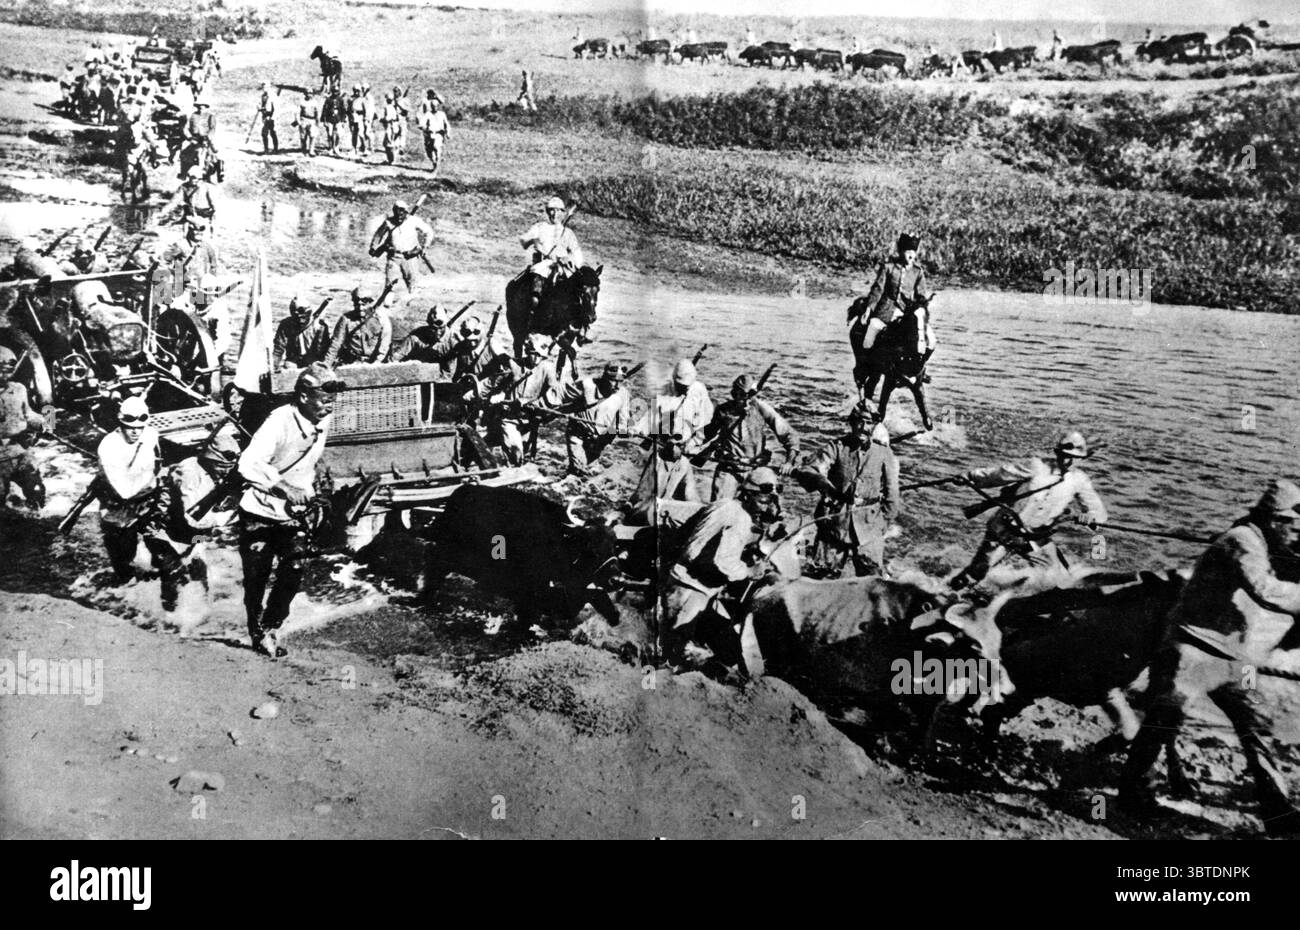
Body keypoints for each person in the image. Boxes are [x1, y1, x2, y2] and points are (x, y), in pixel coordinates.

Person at [1120, 480, 1300, 835]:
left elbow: (1286, 567)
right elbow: (1264, 590)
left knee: (1254, 725)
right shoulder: (1242, 541)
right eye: (1294, 527)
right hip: (1192, 648)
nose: (1296, 535)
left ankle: (1277, 812)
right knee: (1163, 721)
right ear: (1275, 519)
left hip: (1230, 654)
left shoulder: (1262, 539)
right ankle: (1131, 794)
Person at [237, 364, 342, 658]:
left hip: (291, 514)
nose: (329, 406)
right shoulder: (279, 421)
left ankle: (271, 627)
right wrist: (284, 487)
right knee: (256, 578)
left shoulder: (324, 418)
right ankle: (256, 633)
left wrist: (315, 488)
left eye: (333, 399)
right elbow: (248, 464)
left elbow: (309, 459)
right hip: (258, 512)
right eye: (323, 398)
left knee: (295, 568)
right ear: (304, 396)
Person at [948, 430, 1108, 590]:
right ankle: (946, 594)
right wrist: (968, 477)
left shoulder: (1079, 480)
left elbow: (1097, 511)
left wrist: (1090, 518)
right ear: (1057, 453)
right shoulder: (1036, 465)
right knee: (978, 572)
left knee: (1056, 578)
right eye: (1064, 455)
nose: (1067, 461)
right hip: (1005, 530)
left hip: (1036, 536)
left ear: (1083, 458)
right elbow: (999, 474)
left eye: (1074, 458)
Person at [662, 466, 785, 664]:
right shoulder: (739, 518)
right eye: (762, 500)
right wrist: (749, 571)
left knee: (727, 649)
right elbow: (723, 562)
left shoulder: (726, 505)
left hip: (693, 584)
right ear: (747, 495)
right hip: (691, 589)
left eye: (769, 501)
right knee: (674, 652)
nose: (765, 506)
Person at [96, 395, 185, 610]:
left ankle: (171, 611)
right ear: (120, 422)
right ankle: (126, 606)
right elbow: (124, 491)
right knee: (124, 565)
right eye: (130, 426)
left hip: (148, 504)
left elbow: (158, 459)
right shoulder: (108, 446)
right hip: (118, 510)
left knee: (167, 559)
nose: (136, 431)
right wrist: (154, 479)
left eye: (140, 426)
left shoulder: (150, 434)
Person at [794, 402, 899, 578]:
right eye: (860, 421)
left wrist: (882, 524)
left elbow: (892, 495)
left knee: (872, 583)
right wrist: (821, 481)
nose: (864, 427)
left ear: (874, 426)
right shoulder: (837, 447)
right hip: (834, 523)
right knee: (822, 579)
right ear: (852, 422)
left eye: (869, 423)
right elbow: (807, 469)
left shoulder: (883, 453)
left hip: (869, 527)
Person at [850, 232, 930, 399]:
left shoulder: (918, 272)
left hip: (906, 313)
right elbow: (878, 289)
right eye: (907, 251)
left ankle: (919, 370)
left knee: (930, 340)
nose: (910, 255)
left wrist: (921, 307)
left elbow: (921, 294)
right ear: (901, 252)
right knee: (869, 336)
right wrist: (869, 309)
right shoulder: (888, 268)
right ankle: (866, 366)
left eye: (913, 252)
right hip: (885, 311)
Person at [698, 372, 799, 500]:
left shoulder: (762, 409)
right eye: (736, 394)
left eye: (744, 396)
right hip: (729, 468)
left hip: (755, 469)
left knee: (767, 506)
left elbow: (789, 434)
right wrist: (685, 443)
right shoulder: (723, 410)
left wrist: (789, 462)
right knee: (718, 507)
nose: (740, 399)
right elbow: (706, 434)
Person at [632, 358, 713, 508]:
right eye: (681, 385)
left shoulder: (700, 391)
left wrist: (693, 444)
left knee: (686, 490)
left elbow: (706, 421)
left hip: (687, 446)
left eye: (687, 386)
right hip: (665, 445)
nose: (685, 389)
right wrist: (636, 430)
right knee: (654, 487)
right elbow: (652, 416)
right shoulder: (664, 390)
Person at [483, 334, 564, 466]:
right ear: (527, 351)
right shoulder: (515, 365)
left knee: (524, 453)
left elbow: (555, 394)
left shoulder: (548, 369)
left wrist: (532, 403)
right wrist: (497, 397)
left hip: (530, 418)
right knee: (516, 451)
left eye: (540, 355)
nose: (537, 359)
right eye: (534, 354)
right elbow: (496, 352)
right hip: (509, 417)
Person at [168, 418, 241, 537]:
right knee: (212, 542)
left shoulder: (207, 469)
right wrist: (230, 516)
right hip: (182, 534)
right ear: (211, 460)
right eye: (222, 468)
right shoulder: (190, 473)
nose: (226, 472)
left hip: (203, 525)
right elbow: (193, 521)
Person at [562, 361, 630, 477]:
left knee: (588, 472)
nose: (616, 386)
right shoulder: (587, 385)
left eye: (619, 381)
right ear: (604, 377)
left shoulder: (623, 394)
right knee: (580, 472)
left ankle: (565, 476)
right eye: (613, 381)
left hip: (598, 441)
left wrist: (624, 431)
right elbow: (562, 396)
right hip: (578, 433)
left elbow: (623, 421)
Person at [519, 196, 584, 315]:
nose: (554, 214)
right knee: (537, 282)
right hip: (545, 263)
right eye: (551, 210)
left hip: (564, 267)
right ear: (548, 212)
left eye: (558, 211)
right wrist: (534, 241)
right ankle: (532, 312)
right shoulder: (540, 227)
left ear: (563, 213)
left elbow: (577, 254)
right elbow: (523, 240)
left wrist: (569, 258)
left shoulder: (568, 233)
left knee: (579, 291)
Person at [0, 345, 46, 510]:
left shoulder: (19, 389)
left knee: (36, 490)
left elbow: (29, 413)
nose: (2, 375)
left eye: (7, 371)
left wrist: (46, 423)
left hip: (20, 450)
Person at [369, 200, 434, 292]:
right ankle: (386, 303)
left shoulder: (414, 221)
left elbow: (429, 232)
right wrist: (373, 247)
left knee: (413, 285)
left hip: (410, 257)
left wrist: (423, 247)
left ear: (406, 212)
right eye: (396, 211)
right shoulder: (389, 222)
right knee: (390, 285)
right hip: (393, 257)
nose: (399, 214)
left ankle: (411, 301)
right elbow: (378, 235)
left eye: (402, 211)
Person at [324, 285, 391, 366]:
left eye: (363, 304)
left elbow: (384, 344)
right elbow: (335, 344)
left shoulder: (381, 319)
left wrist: (377, 363)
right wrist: (326, 365)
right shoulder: (346, 319)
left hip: (375, 362)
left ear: (370, 303)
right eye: (357, 304)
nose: (360, 308)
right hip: (352, 362)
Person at [160, 218, 219, 300]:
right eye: (195, 229)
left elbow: (214, 265)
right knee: (179, 309)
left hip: (201, 286)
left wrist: (212, 280)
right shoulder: (181, 245)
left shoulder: (206, 246)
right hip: (183, 286)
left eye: (201, 230)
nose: (199, 232)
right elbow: (164, 258)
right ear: (190, 230)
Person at [387, 304, 455, 372]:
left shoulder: (453, 340)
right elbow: (396, 356)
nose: (438, 332)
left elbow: (452, 370)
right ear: (429, 325)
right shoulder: (417, 335)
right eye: (434, 328)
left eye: (441, 328)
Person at [273, 295, 333, 371]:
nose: (300, 321)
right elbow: (278, 348)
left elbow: (325, 350)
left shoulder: (319, 326)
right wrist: (273, 366)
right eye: (296, 317)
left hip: (313, 360)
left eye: (303, 317)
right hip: (294, 360)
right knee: (288, 367)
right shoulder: (286, 325)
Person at [193, 273, 234, 378]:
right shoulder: (193, 305)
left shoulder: (219, 310)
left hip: (212, 352)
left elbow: (223, 340)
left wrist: (204, 358)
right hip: (193, 349)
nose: (206, 296)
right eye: (202, 292)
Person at [416, 91, 450, 174]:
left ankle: (436, 168)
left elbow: (447, 124)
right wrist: (423, 127)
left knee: (437, 147)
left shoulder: (442, 114)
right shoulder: (428, 114)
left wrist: (448, 133)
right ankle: (434, 162)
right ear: (431, 106)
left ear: (438, 106)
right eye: (433, 106)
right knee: (428, 151)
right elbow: (422, 123)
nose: (435, 108)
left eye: (436, 106)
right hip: (429, 134)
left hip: (439, 134)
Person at [377, 92, 402, 165]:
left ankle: (391, 160)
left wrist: (381, 119)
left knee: (388, 144)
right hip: (395, 126)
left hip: (390, 126)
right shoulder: (394, 107)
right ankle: (391, 159)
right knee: (389, 143)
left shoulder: (388, 107)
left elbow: (387, 118)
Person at [321, 87, 348, 156]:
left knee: (338, 134)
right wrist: (324, 120)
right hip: (330, 119)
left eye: (336, 92)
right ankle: (330, 148)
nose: (335, 93)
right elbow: (325, 110)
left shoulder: (340, 99)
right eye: (334, 92)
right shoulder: (328, 99)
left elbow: (343, 111)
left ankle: (336, 147)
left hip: (338, 119)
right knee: (330, 134)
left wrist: (343, 120)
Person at [296, 88, 320, 156]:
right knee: (303, 137)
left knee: (312, 136)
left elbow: (317, 113)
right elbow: (297, 112)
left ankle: (311, 150)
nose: (309, 95)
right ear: (305, 94)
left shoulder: (315, 102)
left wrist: (317, 123)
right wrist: (299, 122)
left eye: (311, 93)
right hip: (304, 119)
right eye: (308, 93)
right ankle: (304, 150)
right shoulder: (302, 102)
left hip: (312, 120)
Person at [348, 84, 370, 155]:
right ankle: (354, 148)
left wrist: (365, 118)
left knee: (361, 134)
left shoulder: (363, 99)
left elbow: (366, 110)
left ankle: (364, 148)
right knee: (354, 134)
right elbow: (349, 108)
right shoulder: (351, 99)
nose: (356, 92)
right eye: (355, 91)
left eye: (358, 91)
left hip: (360, 118)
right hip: (353, 118)